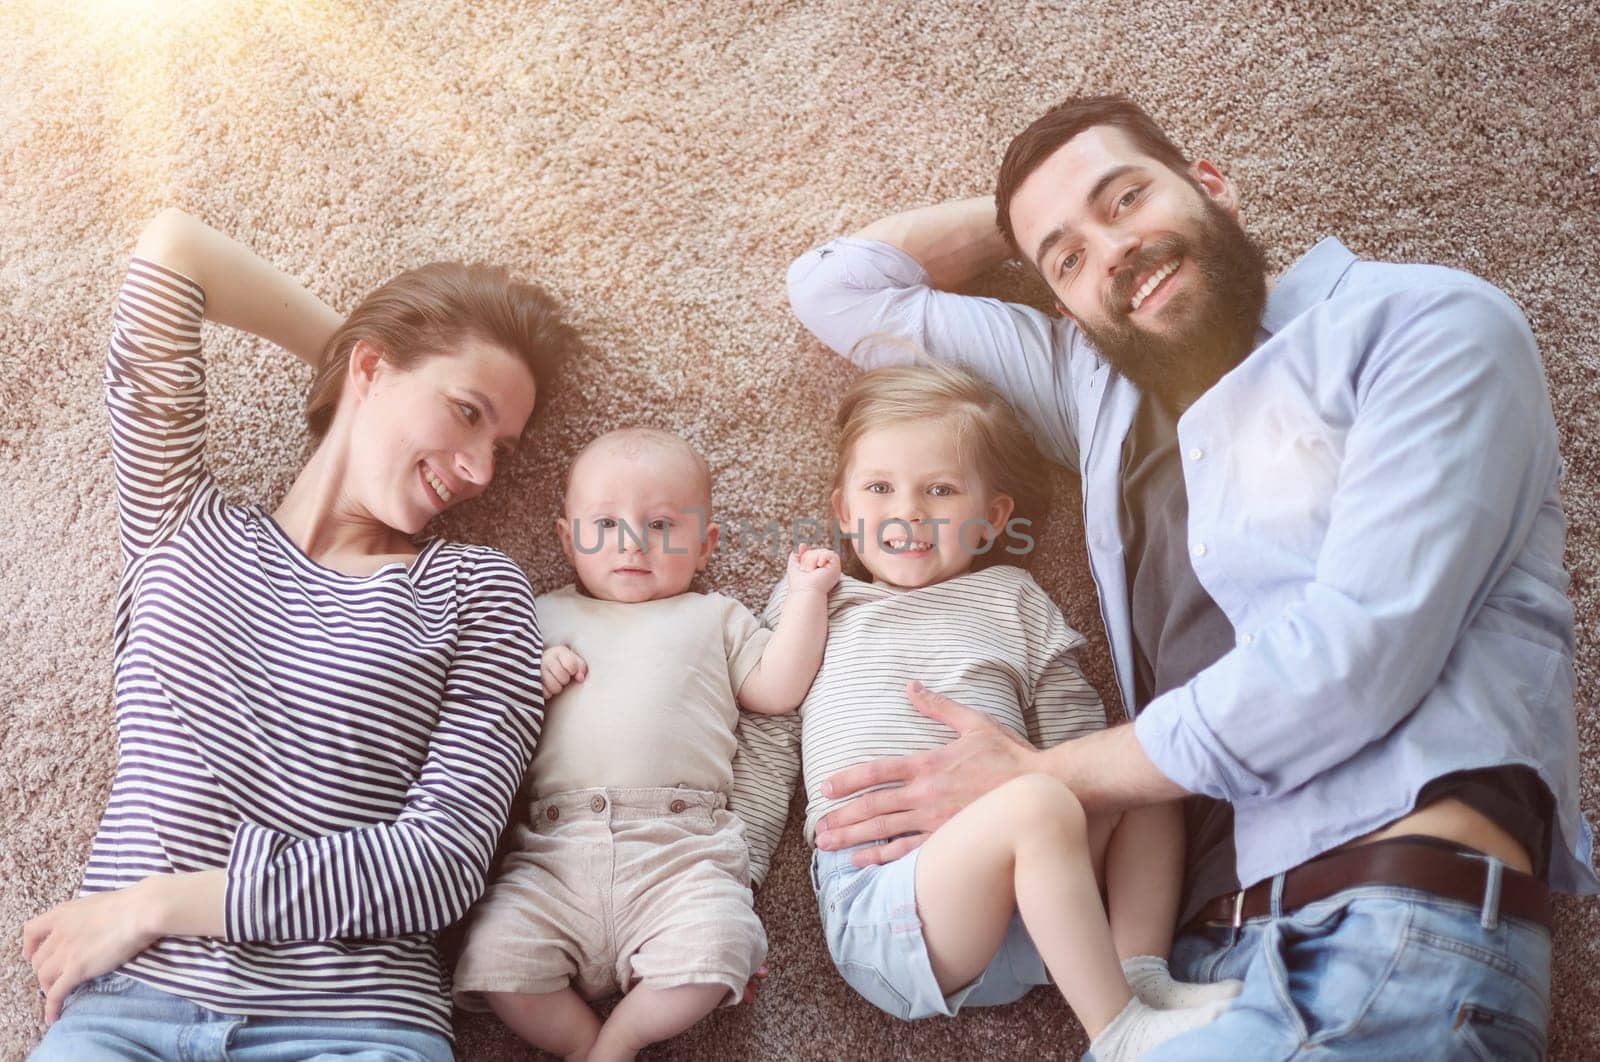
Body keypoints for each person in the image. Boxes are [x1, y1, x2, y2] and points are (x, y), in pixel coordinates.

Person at [777, 95, 1597, 1057]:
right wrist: (1019, 224)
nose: (1110, 253)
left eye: (1124, 200)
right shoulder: (1093, 390)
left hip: (1382, 931)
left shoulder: (1415, 322)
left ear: (1211, 186)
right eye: (1067, 259)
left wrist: (1043, 776)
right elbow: (841, 288)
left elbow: (1354, 662)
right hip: (1186, 969)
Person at [22, 208, 577, 1060]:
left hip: (352, 1028)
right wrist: (352, 355)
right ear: (372, 368)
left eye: (500, 445)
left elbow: (441, 864)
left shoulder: (475, 591)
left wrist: (157, 904)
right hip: (128, 1013)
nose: (479, 470)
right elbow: (174, 248)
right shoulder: (179, 520)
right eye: (466, 413)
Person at [755, 362, 1237, 1060]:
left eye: (942, 490)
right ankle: (1116, 1034)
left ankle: (1139, 978)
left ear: (993, 518)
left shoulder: (1014, 596)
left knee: (1144, 766)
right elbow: (774, 695)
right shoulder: (828, 605)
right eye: (880, 488)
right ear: (843, 511)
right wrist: (804, 593)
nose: (909, 512)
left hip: (1048, 894)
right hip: (892, 898)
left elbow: (1078, 738)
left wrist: (1059, 790)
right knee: (1037, 805)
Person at [451, 427, 839, 1062]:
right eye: (603, 524)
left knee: (718, 949)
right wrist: (531, 679)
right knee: (492, 957)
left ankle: (622, 1039)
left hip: (679, 851)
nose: (630, 543)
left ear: (705, 545)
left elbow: (778, 689)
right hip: (551, 849)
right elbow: (478, 721)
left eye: (661, 526)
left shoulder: (714, 616)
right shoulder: (538, 616)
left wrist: (806, 598)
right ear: (566, 536)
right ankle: (584, 1046)